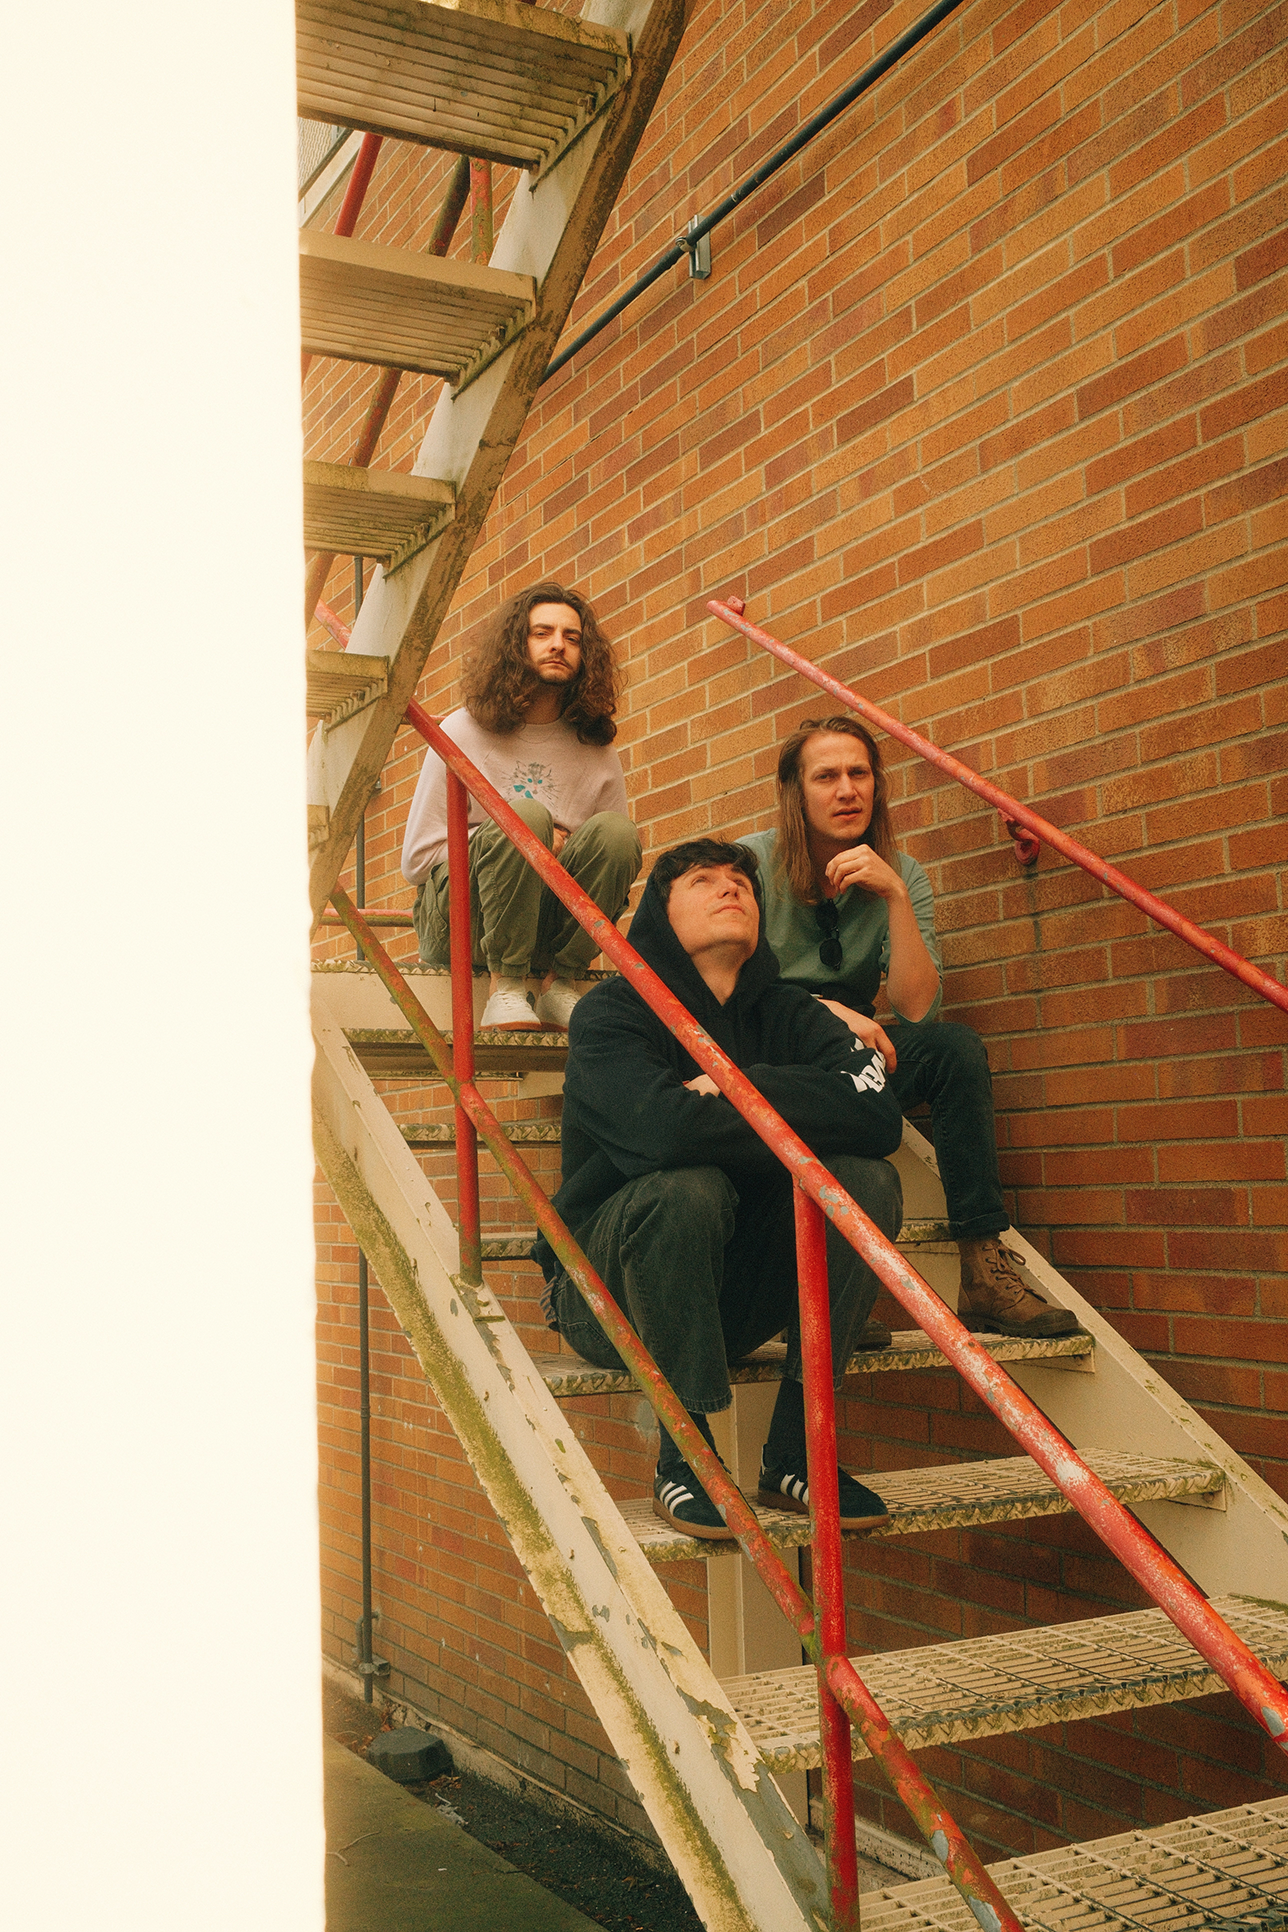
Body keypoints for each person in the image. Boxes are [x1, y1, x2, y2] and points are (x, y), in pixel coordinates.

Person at [537, 838, 906, 1541]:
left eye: (740, 880)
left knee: (866, 1181)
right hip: (605, 1295)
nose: (731, 887)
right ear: (659, 916)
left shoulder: (787, 1012)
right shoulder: (612, 1014)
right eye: (703, 880)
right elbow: (664, 1134)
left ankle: (799, 1451)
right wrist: (801, 1105)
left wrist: (741, 1085)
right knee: (687, 1188)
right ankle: (687, 1456)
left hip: (731, 1291)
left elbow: (876, 1113)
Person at [738, 716, 1077, 1340]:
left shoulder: (901, 872)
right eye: (827, 776)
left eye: (860, 774)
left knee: (953, 1050)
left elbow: (918, 1010)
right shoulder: (752, 865)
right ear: (795, 792)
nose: (848, 790)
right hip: (771, 1056)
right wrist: (822, 1010)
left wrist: (895, 895)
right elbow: (726, 990)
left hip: (848, 1059)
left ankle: (982, 1267)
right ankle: (803, 1290)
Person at [401, 582, 641, 1030]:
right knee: (525, 816)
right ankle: (506, 988)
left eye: (572, 637)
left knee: (617, 833)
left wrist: (549, 849)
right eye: (542, 633)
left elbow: (608, 860)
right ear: (516, 645)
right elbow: (417, 860)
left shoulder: (596, 749)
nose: (558, 645)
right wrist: (527, 838)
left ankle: (562, 983)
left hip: (545, 933)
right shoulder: (463, 730)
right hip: (461, 924)